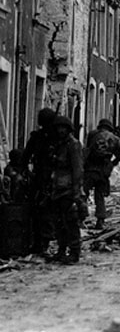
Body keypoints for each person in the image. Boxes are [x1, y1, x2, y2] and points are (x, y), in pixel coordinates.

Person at [49, 115, 86, 264]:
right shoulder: (59, 145)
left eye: (63, 128)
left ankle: (75, 251)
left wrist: (77, 192)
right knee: (59, 222)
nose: (60, 131)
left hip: (69, 188)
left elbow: (78, 170)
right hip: (57, 187)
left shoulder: (73, 145)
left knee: (71, 221)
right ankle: (61, 249)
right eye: (58, 128)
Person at [23, 108, 58, 255]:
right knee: (44, 209)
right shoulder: (52, 137)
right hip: (45, 177)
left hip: (46, 177)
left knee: (42, 209)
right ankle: (42, 241)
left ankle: (42, 241)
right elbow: (26, 157)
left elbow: (25, 157)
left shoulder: (41, 137)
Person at [83, 118, 120, 229]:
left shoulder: (92, 134)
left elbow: (87, 149)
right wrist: (114, 161)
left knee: (84, 193)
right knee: (100, 195)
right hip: (104, 169)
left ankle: (81, 218)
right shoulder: (114, 138)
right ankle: (100, 220)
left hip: (91, 167)